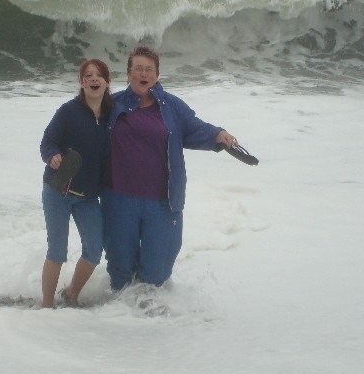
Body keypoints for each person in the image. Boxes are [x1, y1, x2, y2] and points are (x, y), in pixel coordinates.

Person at [102, 46, 236, 291]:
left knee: (156, 275)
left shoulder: (171, 106)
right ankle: (117, 319)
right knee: (120, 274)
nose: (144, 73)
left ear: (157, 74)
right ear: (129, 73)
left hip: (162, 201)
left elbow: (195, 128)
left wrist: (218, 134)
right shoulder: (112, 105)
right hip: (119, 199)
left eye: (149, 69)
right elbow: (82, 126)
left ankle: (154, 323)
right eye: (138, 68)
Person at [39, 59, 113, 308]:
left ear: (107, 81)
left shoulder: (111, 116)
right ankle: (47, 307)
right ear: (81, 82)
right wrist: (52, 156)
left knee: (94, 250)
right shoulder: (68, 111)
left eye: (98, 75)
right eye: (88, 76)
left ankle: (71, 294)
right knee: (57, 252)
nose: (93, 79)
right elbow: (47, 142)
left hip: (88, 196)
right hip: (58, 190)